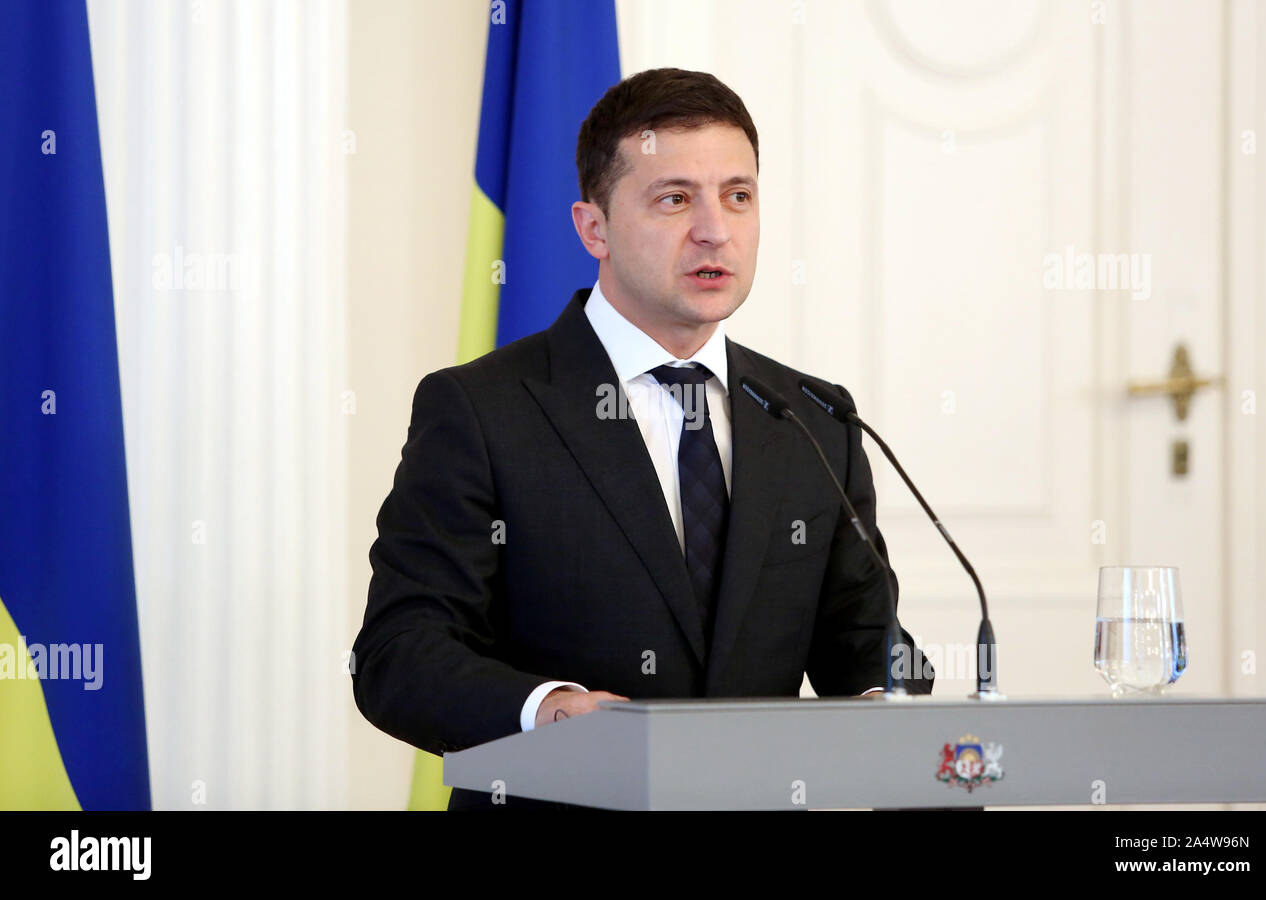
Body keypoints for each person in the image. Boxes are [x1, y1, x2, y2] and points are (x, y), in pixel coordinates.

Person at [351, 68, 933, 811]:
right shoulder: (479, 409)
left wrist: (891, 697)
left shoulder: (813, 416)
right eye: (674, 198)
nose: (715, 228)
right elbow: (400, 656)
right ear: (592, 227)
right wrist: (551, 711)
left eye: (738, 195)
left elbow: (864, 636)